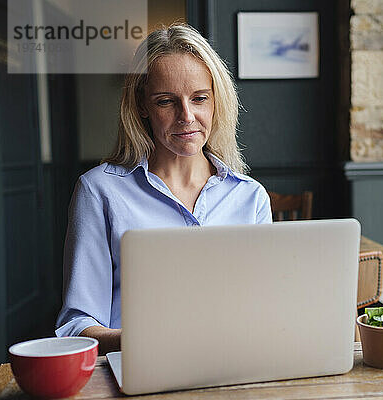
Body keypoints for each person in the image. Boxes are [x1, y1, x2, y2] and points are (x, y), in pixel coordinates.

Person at [55, 24, 272, 353]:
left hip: (234, 364)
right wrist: (143, 342)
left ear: (216, 101)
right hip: (138, 369)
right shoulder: (98, 191)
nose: (187, 116)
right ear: (143, 106)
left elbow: (264, 309)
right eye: (166, 101)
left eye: (199, 98)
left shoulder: (250, 197)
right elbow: (75, 327)